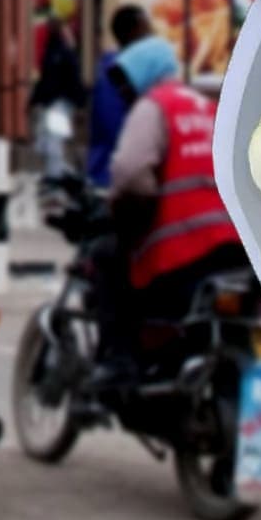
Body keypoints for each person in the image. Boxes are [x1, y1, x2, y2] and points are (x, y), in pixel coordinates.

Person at [108, 35, 243, 330]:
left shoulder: (155, 104)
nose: (123, 93)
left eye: (126, 83)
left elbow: (131, 173)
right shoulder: (208, 108)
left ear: (144, 74)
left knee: (108, 265)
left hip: (183, 249)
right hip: (236, 247)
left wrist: (121, 212)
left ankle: (119, 363)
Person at [86, 5, 151, 189]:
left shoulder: (132, 69)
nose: (150, 37)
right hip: (110, 178)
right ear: (131, 34)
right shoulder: (115, 72)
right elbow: (115, 127)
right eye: (145, 30)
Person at [30, 16, 85, 180]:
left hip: (60, 103)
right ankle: (56, 172)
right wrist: (34, 100)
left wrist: (79, 104)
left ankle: (55, 176)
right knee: (45, 142)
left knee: (54, 141)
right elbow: (44, 78)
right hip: (50, 103)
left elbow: (74, 79)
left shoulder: (64, 52)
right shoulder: (51, 51)